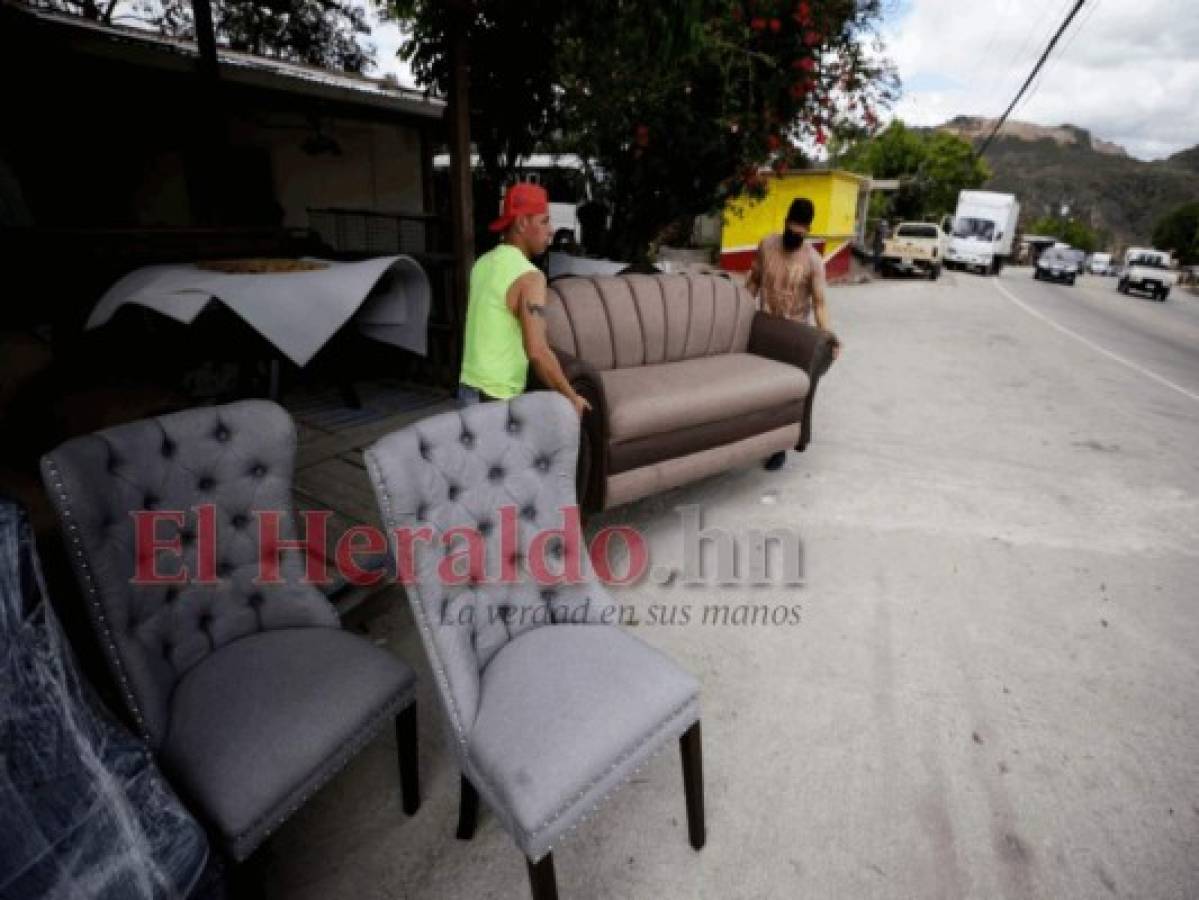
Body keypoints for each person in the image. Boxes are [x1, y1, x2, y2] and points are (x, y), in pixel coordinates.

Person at [458, 182, 590, 417]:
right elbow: (537, 351)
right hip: (496, 399)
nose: (551, 230)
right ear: (521, 223)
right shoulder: (529, 278)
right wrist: (572, 397)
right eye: (544, 221)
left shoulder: (482, 263)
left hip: (468, 390)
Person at [745, 196, 841, 471]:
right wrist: (738, 312)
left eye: (800, 234)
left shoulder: (813, 261)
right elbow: (752, 282)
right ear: (785, 222)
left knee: (787, 395)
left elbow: (820, 303)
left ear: (808, 231)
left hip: (795, 336)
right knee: (760, 390)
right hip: (763, 328)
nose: (794, 237)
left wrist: (828, 337)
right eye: (791, 231)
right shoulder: (767, 245)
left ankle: (779, 446)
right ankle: (757, 436)